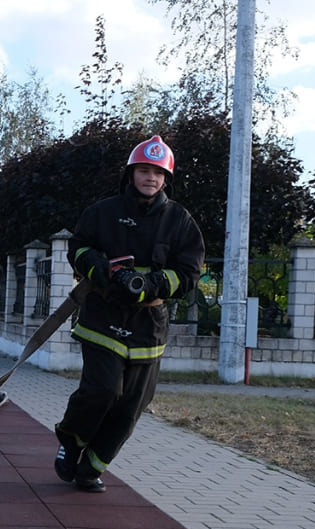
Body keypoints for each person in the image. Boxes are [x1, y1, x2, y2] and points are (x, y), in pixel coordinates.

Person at [55, 135, 205, 492]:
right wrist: (102, 269)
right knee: (103, 391)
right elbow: (77, 248)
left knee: (131, 406)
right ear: (131, 173)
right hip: (102, 316)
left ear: (165, 178)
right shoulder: (103, 212)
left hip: (147, 327)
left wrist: (154, 283)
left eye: (157, 172)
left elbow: (189, 274)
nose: (150, 178)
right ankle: (71, 442)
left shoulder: (181, 220)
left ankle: (92, 466)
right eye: (143, 170)